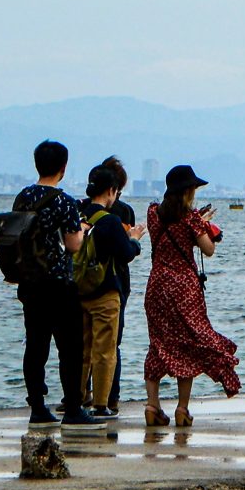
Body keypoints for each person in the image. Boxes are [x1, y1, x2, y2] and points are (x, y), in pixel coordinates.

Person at [141, 165, 243, 427]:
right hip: (184, 288)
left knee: (159, 343)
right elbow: (208, 249)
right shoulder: (191, 218)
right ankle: (181, 409)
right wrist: (205, 224)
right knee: (188, 345)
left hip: (157, 285)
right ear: (187, 191)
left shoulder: (153, 214)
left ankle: (152, 406)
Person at [11, 139, 96, 426]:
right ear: (63, 167)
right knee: (70, 347)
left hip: (30, 282)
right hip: (59, 282)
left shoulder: (22, 197)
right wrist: (83, 231)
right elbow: (73, 245)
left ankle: (37, 406)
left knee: (35, 346)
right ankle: (73, 407)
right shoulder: (64, 201)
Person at [73, 157, 142, 417]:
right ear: (111, 191)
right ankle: (103, 404)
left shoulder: (78, 213)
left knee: (81, 349)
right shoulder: (111, 220)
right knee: (105, 350)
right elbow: (125, 253)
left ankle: (77, 399)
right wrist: (134, 239)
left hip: (79, 289)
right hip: (105, 291)